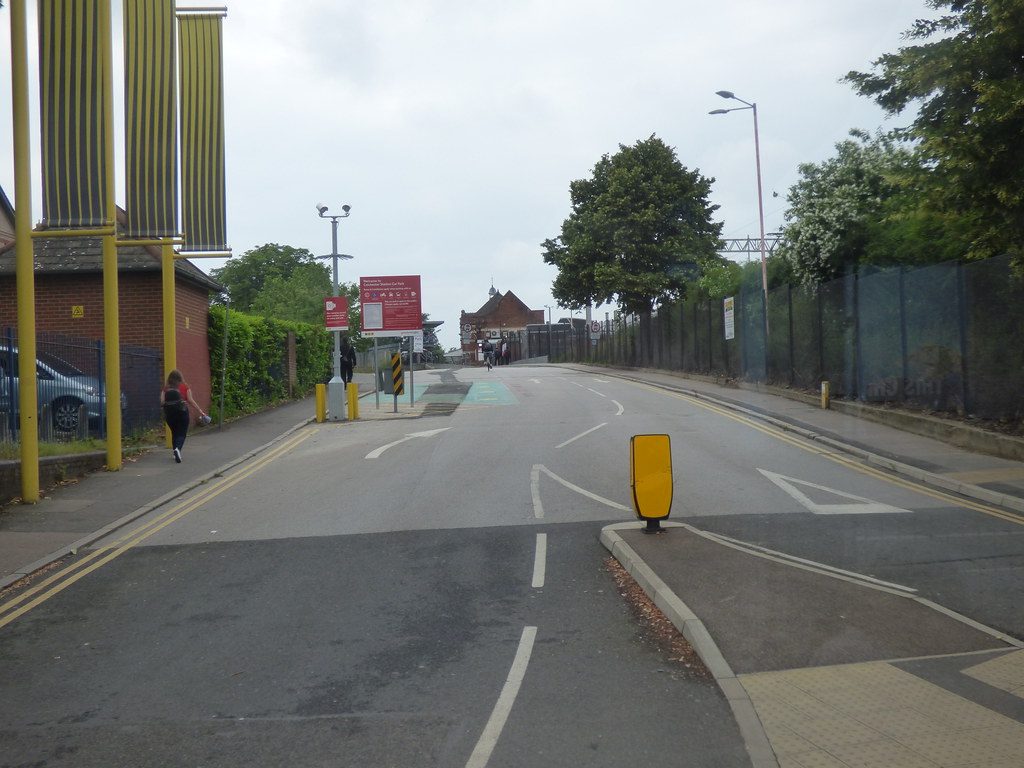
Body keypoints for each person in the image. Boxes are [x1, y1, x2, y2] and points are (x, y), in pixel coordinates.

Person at [161, 369, 205, 463]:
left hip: (169, 414)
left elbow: (162, 402)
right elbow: (190, 400)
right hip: (182, 412)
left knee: (174, 432)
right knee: (181, 433)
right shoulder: (185, 387)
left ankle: (174, 452)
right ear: (180, 378)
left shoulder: (166, 389)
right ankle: (178, 449)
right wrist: (200, 410)